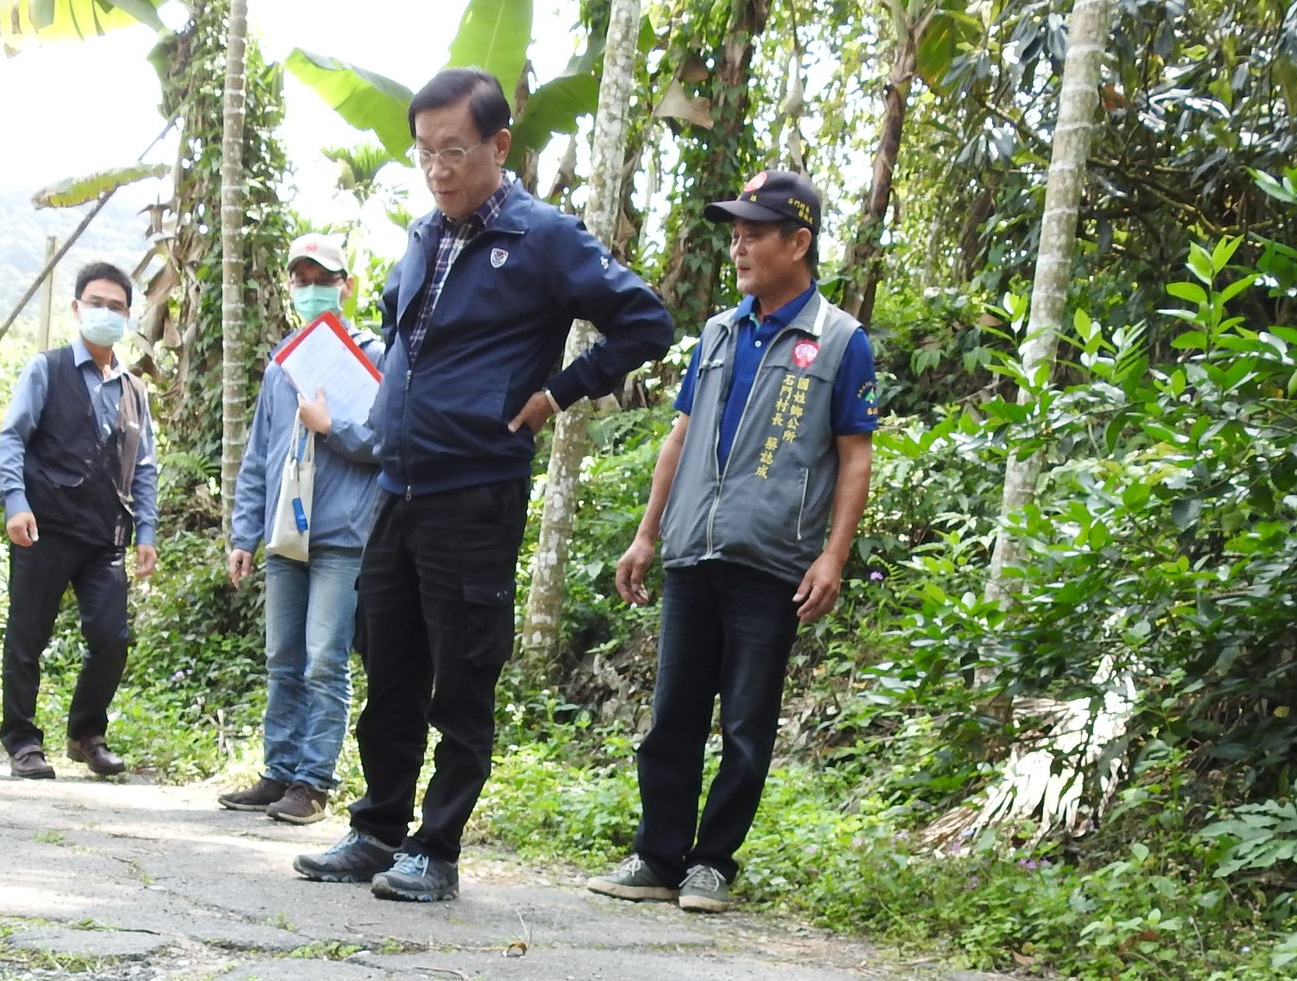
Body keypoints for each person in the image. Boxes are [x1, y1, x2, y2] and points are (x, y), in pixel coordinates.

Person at [292, 66, 673, 902]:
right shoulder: (426, 233)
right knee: (387, 664)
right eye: (424, 153)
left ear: (500, 145)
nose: (438, 169)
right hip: (399, 486)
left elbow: (646, 320)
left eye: (454, 151)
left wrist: (556, 393)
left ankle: (438, 849)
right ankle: (375, 829)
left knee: (462, 670)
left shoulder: (544, 237)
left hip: (476, 489)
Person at [586, 169, 876, 915]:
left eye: (754, 234)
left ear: (798, 242)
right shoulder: (718, 333)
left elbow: (855, 454)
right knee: (672, 714)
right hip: (692, 551)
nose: (739, 247)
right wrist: (647, 534)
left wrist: (833, 556)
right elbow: (680, 437)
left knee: (746, 722)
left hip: (773, 558)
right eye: (736, 234)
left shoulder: (840, 341)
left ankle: (712, 862)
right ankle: (658, 855)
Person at [222, 234, 384, 826]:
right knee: (282, 658)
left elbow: (386, 442)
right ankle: (279, 772)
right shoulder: (282, 363)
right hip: (284, 536)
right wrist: (244, 534)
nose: (312, 288)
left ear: (346, 285)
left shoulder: (374, 356)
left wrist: (330, 424)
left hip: (343, 535)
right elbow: (259, 455)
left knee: (324, 660)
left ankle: (313, 783)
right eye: (301, 278)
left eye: (324, 278)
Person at [0, 260, 159, 781]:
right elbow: (13, 437)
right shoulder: (48, 369)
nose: (105, 313)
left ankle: (86, 734)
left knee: (112, 637)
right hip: (44, 527)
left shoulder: (134, 390)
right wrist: (15, 501)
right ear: (76, 308)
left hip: (104, 536)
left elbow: (146, 467)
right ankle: (22, 741)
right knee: (28, 637)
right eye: (97, 303)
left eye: (116, 306)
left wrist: (147, 532)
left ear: (129, 316)